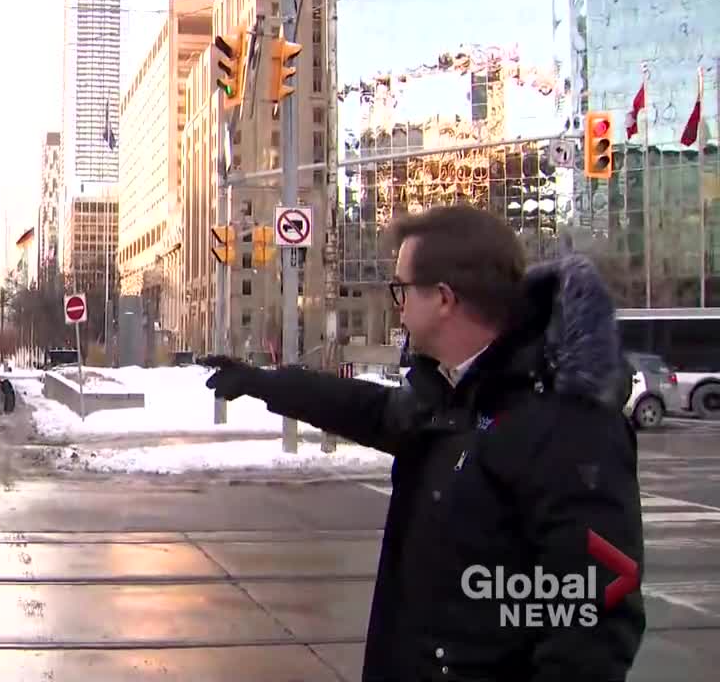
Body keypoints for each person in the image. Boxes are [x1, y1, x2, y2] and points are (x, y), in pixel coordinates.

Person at [201, 205, 645, 681]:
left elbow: (593, 619)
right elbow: (369, 410)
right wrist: (263, 383)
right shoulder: (454, 396)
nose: (398, 305)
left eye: (401, 289)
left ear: (444, 298)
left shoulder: (565, 426)